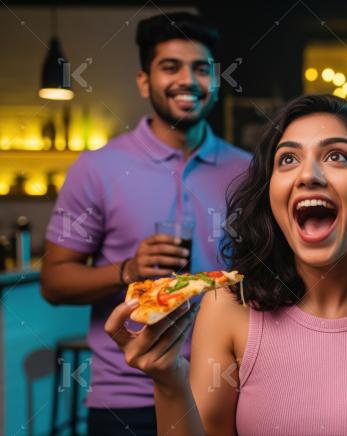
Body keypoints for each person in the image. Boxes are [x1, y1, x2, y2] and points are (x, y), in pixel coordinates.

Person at [104, 95, 347, 435]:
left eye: (336, 156)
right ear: (271, 192)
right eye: (288, 159)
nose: (308, 175)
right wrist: (168, 382)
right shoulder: (226, 308)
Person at [40, 13, 251, 435]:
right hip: (126, 395)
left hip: (225, 389)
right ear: (144, 81)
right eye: (170, 67)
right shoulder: (97, 168)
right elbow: (54, 282)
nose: (187, 80)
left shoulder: (248, 171)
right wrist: (127, 271)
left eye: (200, 68)